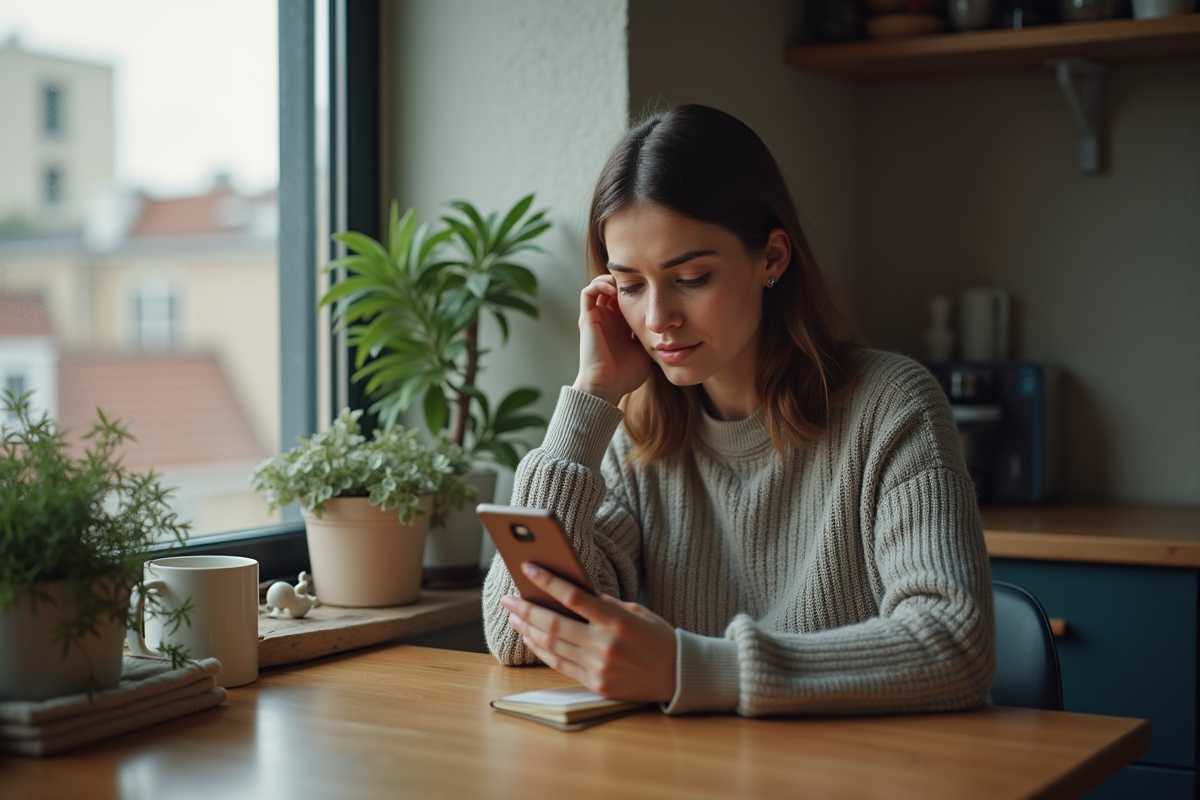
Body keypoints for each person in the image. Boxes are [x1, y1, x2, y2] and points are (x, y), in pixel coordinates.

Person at [482, 104, 994, 717]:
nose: (656, 319)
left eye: (692, 277)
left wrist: (692, 668)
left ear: (772, 259)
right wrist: (591, 398)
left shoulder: (893, 408)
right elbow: (517, 639)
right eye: (630, 285)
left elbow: (956, 648)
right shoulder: (639, 435)